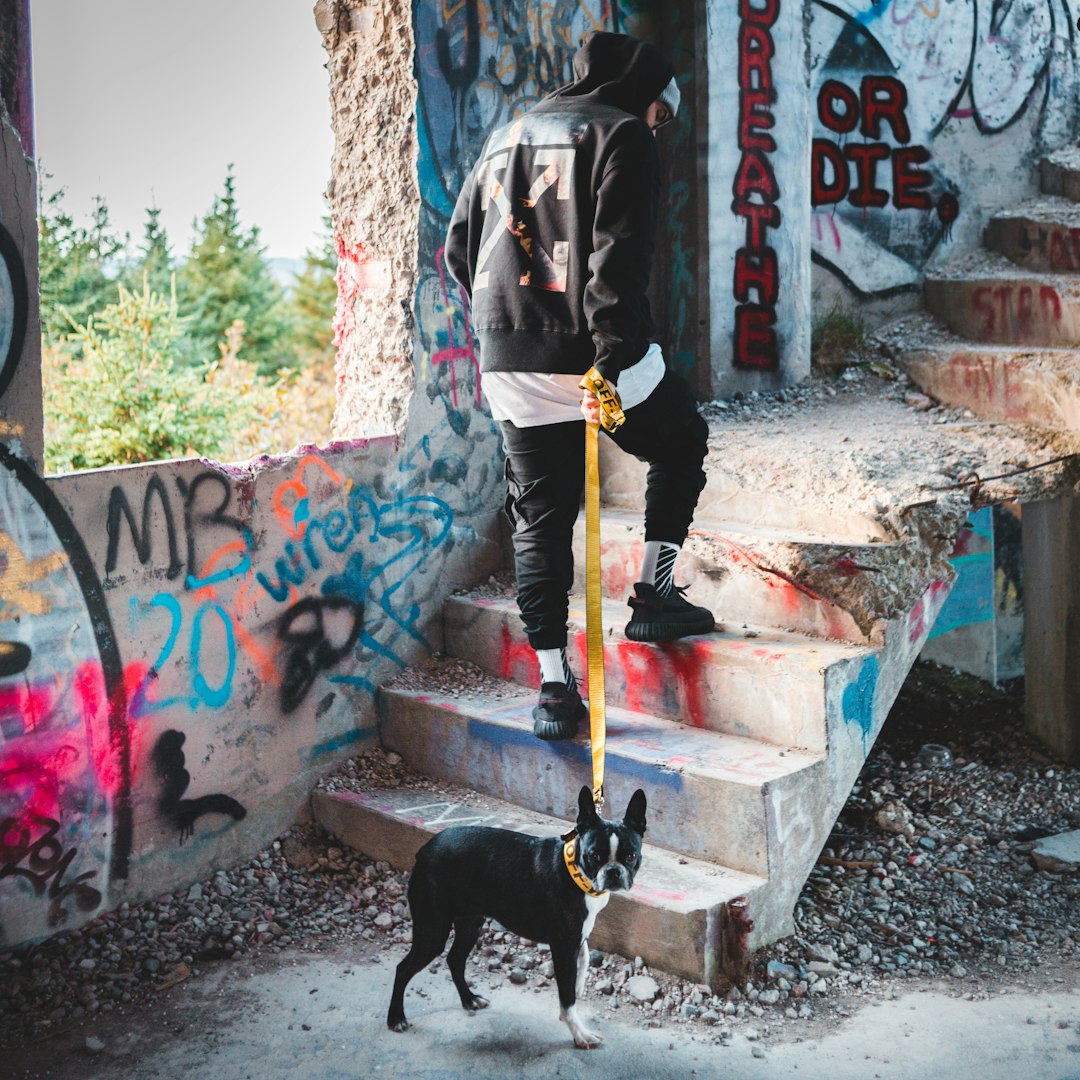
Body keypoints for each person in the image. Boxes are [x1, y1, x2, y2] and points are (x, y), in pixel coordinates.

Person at [445, 31, 713, 742]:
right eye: (663, 114)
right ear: (644, 95)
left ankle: (555, 689)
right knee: (682, 438)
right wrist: (615, 359)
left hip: (509, 358)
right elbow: (617, 260)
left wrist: (504, 320)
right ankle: (654, 594)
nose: (661, 127)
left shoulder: (508, 135)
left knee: (540, 516)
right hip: (593, 354)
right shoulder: (624, 134)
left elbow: (456, 247)